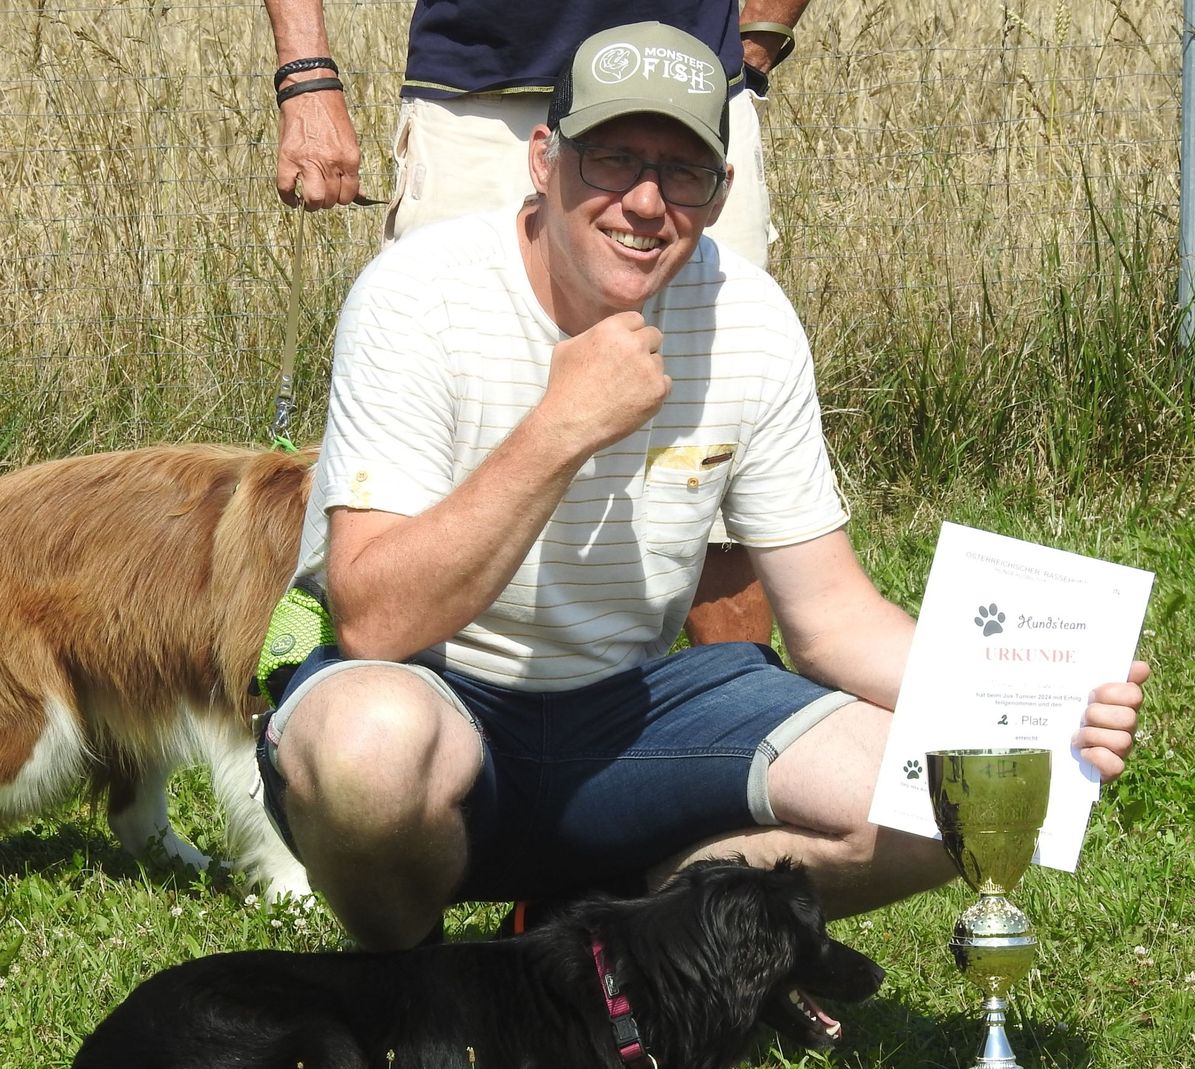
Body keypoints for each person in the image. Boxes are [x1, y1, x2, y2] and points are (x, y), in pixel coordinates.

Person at [255, 22, 1149, 953]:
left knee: (940, 793)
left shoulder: (749, 319)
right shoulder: (416, 294)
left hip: (631, 717)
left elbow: (832, 618)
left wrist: (1035, 707)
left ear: (721, 193)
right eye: (612, 159)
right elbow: (375, 621)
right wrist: (560, 429)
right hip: (440, 694)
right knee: (364, 750)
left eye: (683, 172)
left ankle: (609, 934)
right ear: (542, 157)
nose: (644, 201)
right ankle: (417, 986)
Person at [260, 1, 809, 646]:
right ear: (541, 160)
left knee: (706, 454)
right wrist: (305, 73)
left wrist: (758, 35)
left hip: (692, 89)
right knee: (423, 473)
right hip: (476, 93)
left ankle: (726, 717)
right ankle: (414, 704)